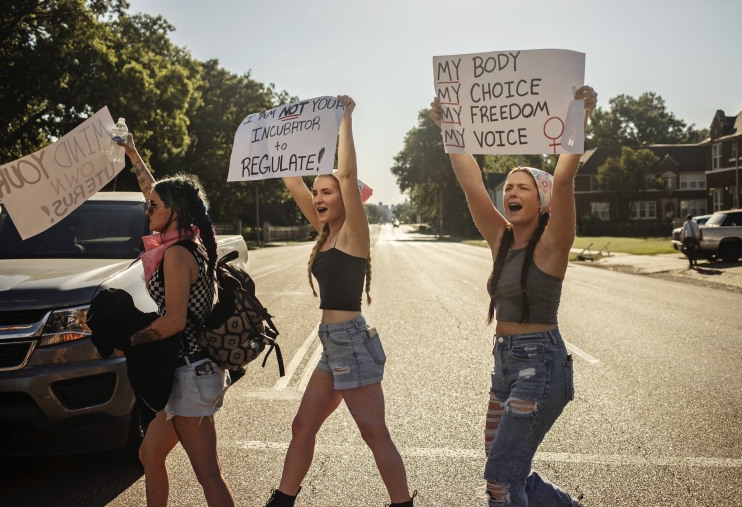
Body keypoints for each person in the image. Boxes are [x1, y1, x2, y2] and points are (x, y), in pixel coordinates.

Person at [430, 85, 597, 507]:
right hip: (505, 364)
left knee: (499, 480)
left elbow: (563, 178)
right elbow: (470, 182)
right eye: (508, 187)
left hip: (539, 365)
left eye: (523, 188)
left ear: (541, 202)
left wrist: (577, 114)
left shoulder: (553, 243)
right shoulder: (500, 239)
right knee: (509, 467)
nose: (511, 193)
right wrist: (451, 127)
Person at [264, 95, 415, 507]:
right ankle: (282, 500)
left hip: (350, 341)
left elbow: (347, 174)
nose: (318, 197)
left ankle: (403, 504)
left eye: (326, 191)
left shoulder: (353, 233)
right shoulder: (326, 232)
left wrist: (345, 118)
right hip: (332, 345)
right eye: (318, 192)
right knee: (302, 426)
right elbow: (293, 183)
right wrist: (275, 133)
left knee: (373, 434)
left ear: (345, 197)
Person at [119, 134, 235, 507]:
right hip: (184, 372)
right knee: (149, 455)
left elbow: (173, 322)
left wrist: (127, 340)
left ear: (174, 211)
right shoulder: (186, 239)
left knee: (208, 474)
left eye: (153, 207)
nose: (147, 209)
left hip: (191, 374)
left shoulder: (176, 255)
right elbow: (154, 190)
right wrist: (132, 152)